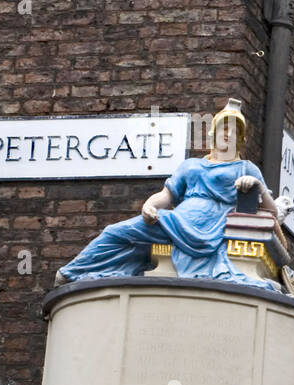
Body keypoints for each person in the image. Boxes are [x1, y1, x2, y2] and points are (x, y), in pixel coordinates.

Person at [55, 100, 281, 291]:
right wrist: (148, 206)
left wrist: (258, 187)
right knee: (115, 232)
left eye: (234, 131)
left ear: (239, 138)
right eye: (224, 128)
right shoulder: (191, 165)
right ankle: (74, 273)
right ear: (214, 133)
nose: (228, 134)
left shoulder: (246, 168)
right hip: (176, 220)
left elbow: (271, 211)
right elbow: (166, 196)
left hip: (213, 227)